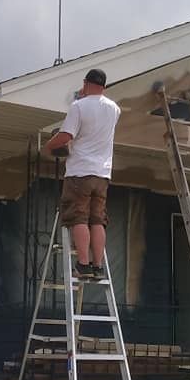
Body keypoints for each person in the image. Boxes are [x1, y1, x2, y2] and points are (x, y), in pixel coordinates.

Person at [43, 68, 120, 280]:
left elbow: (66, 135)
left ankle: (83, 264)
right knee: (97, 220)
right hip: (102, 174)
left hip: (80, 172)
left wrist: (48, 147)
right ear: (104, 86)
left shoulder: (78, 107)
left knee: (78, 217)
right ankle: (98, 266)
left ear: (85, 83)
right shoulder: (114, 109)